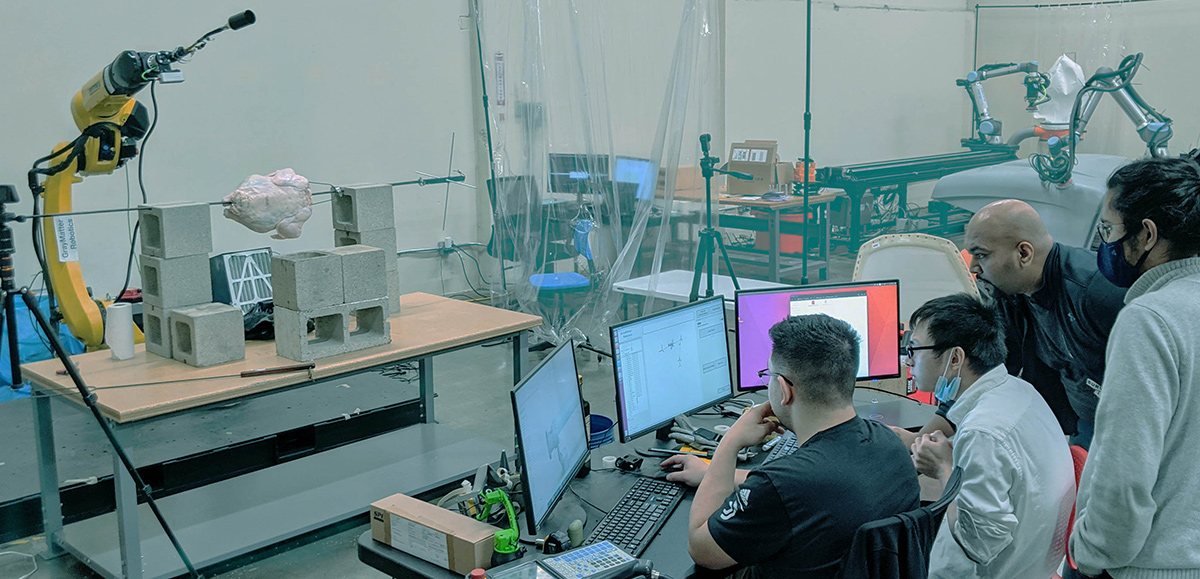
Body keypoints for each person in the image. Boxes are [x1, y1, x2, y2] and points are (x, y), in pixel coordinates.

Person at [662, 314, 919, 578]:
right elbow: (813, 489)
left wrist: (730, 442)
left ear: (784, 389)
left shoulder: (780, 486)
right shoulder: (892, 444)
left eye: (768, 376)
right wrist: (714, 474)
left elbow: (702, 549)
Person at [891, 199, 1124, 450]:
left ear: (1023, 253)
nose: (973, 267)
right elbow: (983, 370)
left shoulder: (1098, 293)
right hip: (1083, 419)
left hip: (1127, 423)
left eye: (981, 254)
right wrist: (919, 439)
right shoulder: (1011, 292)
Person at [1069, 151, 1200, 579]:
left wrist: (1087, 552)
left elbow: (1124, 473)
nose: (1101, 244)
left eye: (1107, 229)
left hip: (1155, 564)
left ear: (1146, 235)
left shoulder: (1150, 319)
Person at [906, 293, 1075, 579]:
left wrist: (944, 470)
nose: (908, 360)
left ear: (955, 357)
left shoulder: (983, 433)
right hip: (1036, 558)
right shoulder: (1018, 389)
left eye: (913, 349)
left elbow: (978, 544)